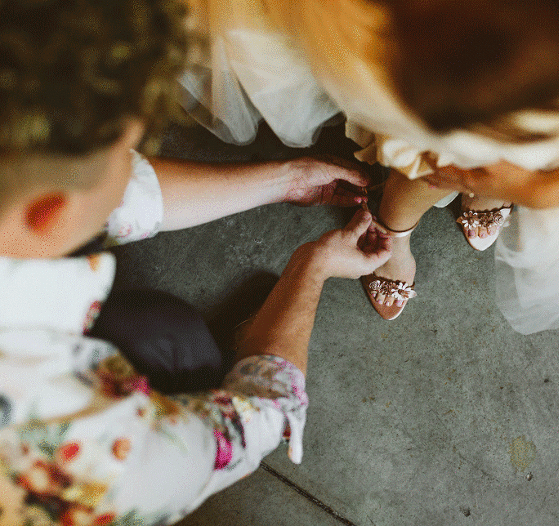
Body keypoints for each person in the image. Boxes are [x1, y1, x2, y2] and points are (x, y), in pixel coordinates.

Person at [0, 1, 392, 524]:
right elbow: (258, 419)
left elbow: (111, 198)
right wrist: (311, 269)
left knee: (161, 327)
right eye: (130, 153)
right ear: (50, 212)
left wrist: (284, 179)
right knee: (179, 345)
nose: (134, 168)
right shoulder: (73, 461)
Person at [181, 0, 559, 330]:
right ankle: (398, 227)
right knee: (430, 149)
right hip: (438, 32)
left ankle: (494, 187)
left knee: (523, 142)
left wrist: (554, 188)